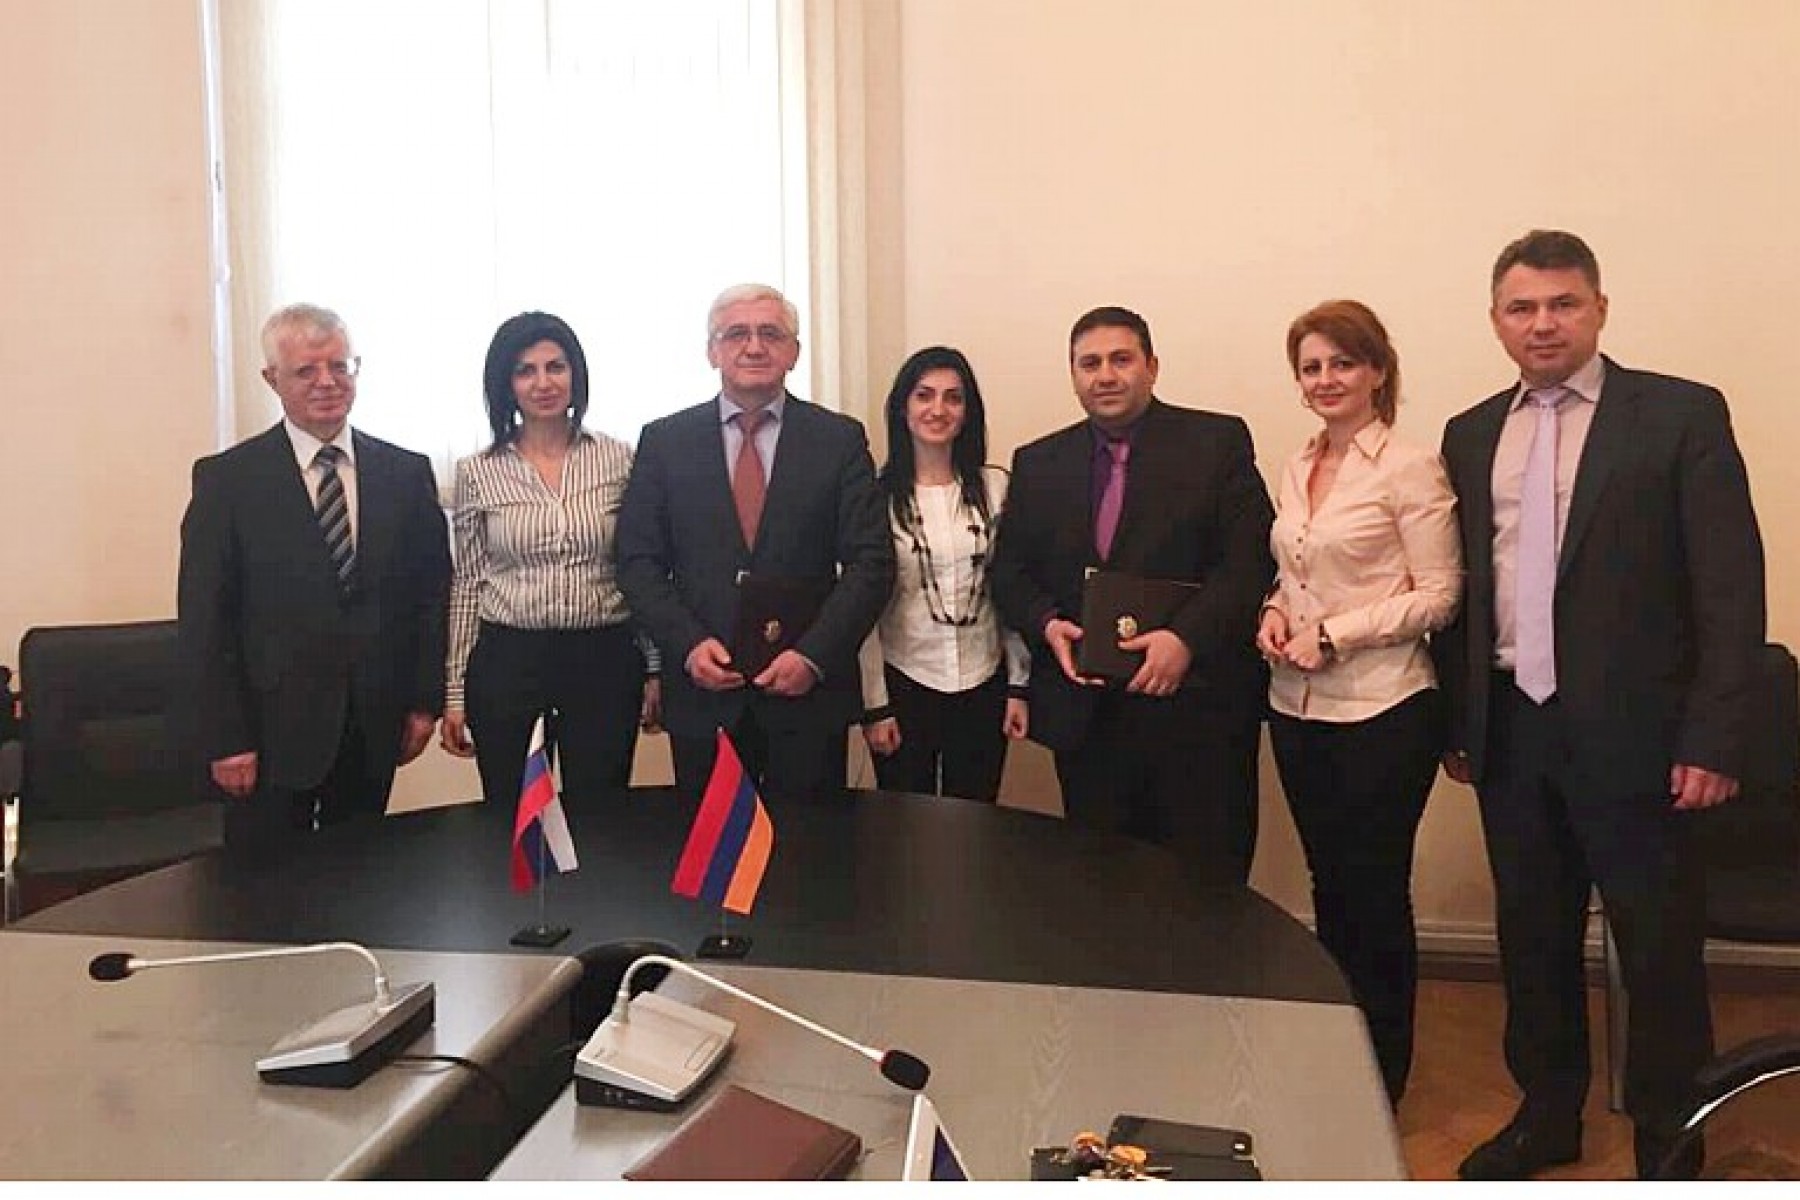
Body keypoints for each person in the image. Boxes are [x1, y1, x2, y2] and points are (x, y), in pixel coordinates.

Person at [1436, 231, 1766, 1180]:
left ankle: (1671, 1130)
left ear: (1599, 310)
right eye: (1522, 307)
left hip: (1643, 739)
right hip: (1513, 730)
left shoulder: (1679, 415)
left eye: (1563, 304)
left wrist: (1715, 736)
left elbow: (1730, 588)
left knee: (1656, 944)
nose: (1543, 323)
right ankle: (1548, 1116)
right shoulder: (1469, 433)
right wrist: (1462, 723)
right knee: (1531, 937)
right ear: (1496, 320)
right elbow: (1465, 588)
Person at [1255, 300, 1461, 1105]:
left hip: (1384, 707)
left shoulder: (1410, 466)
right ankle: (1342, 1050)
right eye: (1311, 367)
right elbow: (1296, 572)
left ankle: (1384, 1072)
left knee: (1374, 891)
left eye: (1342, 362)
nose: (1326, 379)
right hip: (1296, 705)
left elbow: (1440, 594)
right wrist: (1275, 611)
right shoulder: (1296, 462)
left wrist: (1336, 635)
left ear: (1377, 370)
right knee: (1328, 885)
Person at [990, 306, 1275, 885]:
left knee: (1207, 889)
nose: (1105, 375)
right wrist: (1046, 624)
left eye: (1121, 359)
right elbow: (1009, 571)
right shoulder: (1038, 462)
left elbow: (1249, 562)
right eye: (1089, 363)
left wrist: (1185, 639)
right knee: (1104, 891)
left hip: (1197, 711)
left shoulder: (1216, 442)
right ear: (1073, 374)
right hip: (1089, 719)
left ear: (1152, 366)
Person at [178, 303, 451, 856]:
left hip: (373, 723)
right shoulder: (228, 481)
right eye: (306, 370)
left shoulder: (405, 473)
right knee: (267, 885)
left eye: (339, 366)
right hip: (270, 734)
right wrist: (226, 738)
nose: (327, 382)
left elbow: (430, 596)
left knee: (362, 874)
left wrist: (425, 703)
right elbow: (206, 619)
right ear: (271, 378)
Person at [615, 283, 894, 806]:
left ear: (794, 352)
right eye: (736, 334)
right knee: (713, 852)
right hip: (704, 696)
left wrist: (813, 656)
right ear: (712, 351)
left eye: (771, 333)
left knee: (811, 849)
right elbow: (637, 562)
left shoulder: (838, 439)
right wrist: (688, 646)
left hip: (808, 699)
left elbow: (871, 563)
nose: (754, 346)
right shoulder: (665, 442)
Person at [439, 312, 660, 808]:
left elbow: (638, 568)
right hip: (509, 661)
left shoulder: (620, 459)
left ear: (576, 374)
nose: (543, 383)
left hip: (602, 658)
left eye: (556, 367)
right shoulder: (478, 471)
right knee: (513, 815)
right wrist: (454, 691)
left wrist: (654, 666)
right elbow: (469, 583)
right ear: (506, 384)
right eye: (526, 370)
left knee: (600, 814)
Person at [858, 346, 1029, 801]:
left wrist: (1019, 685)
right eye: (924, 395)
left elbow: (1011, 589)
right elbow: (863, 611)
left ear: (968, 412)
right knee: (904, 822)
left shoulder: (997, 488)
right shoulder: (874, 499)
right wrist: (875, 706)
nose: (938, 409)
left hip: (983, 682)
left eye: (953, 397)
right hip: (904, 681)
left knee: (976, 819)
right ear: (902, 408)